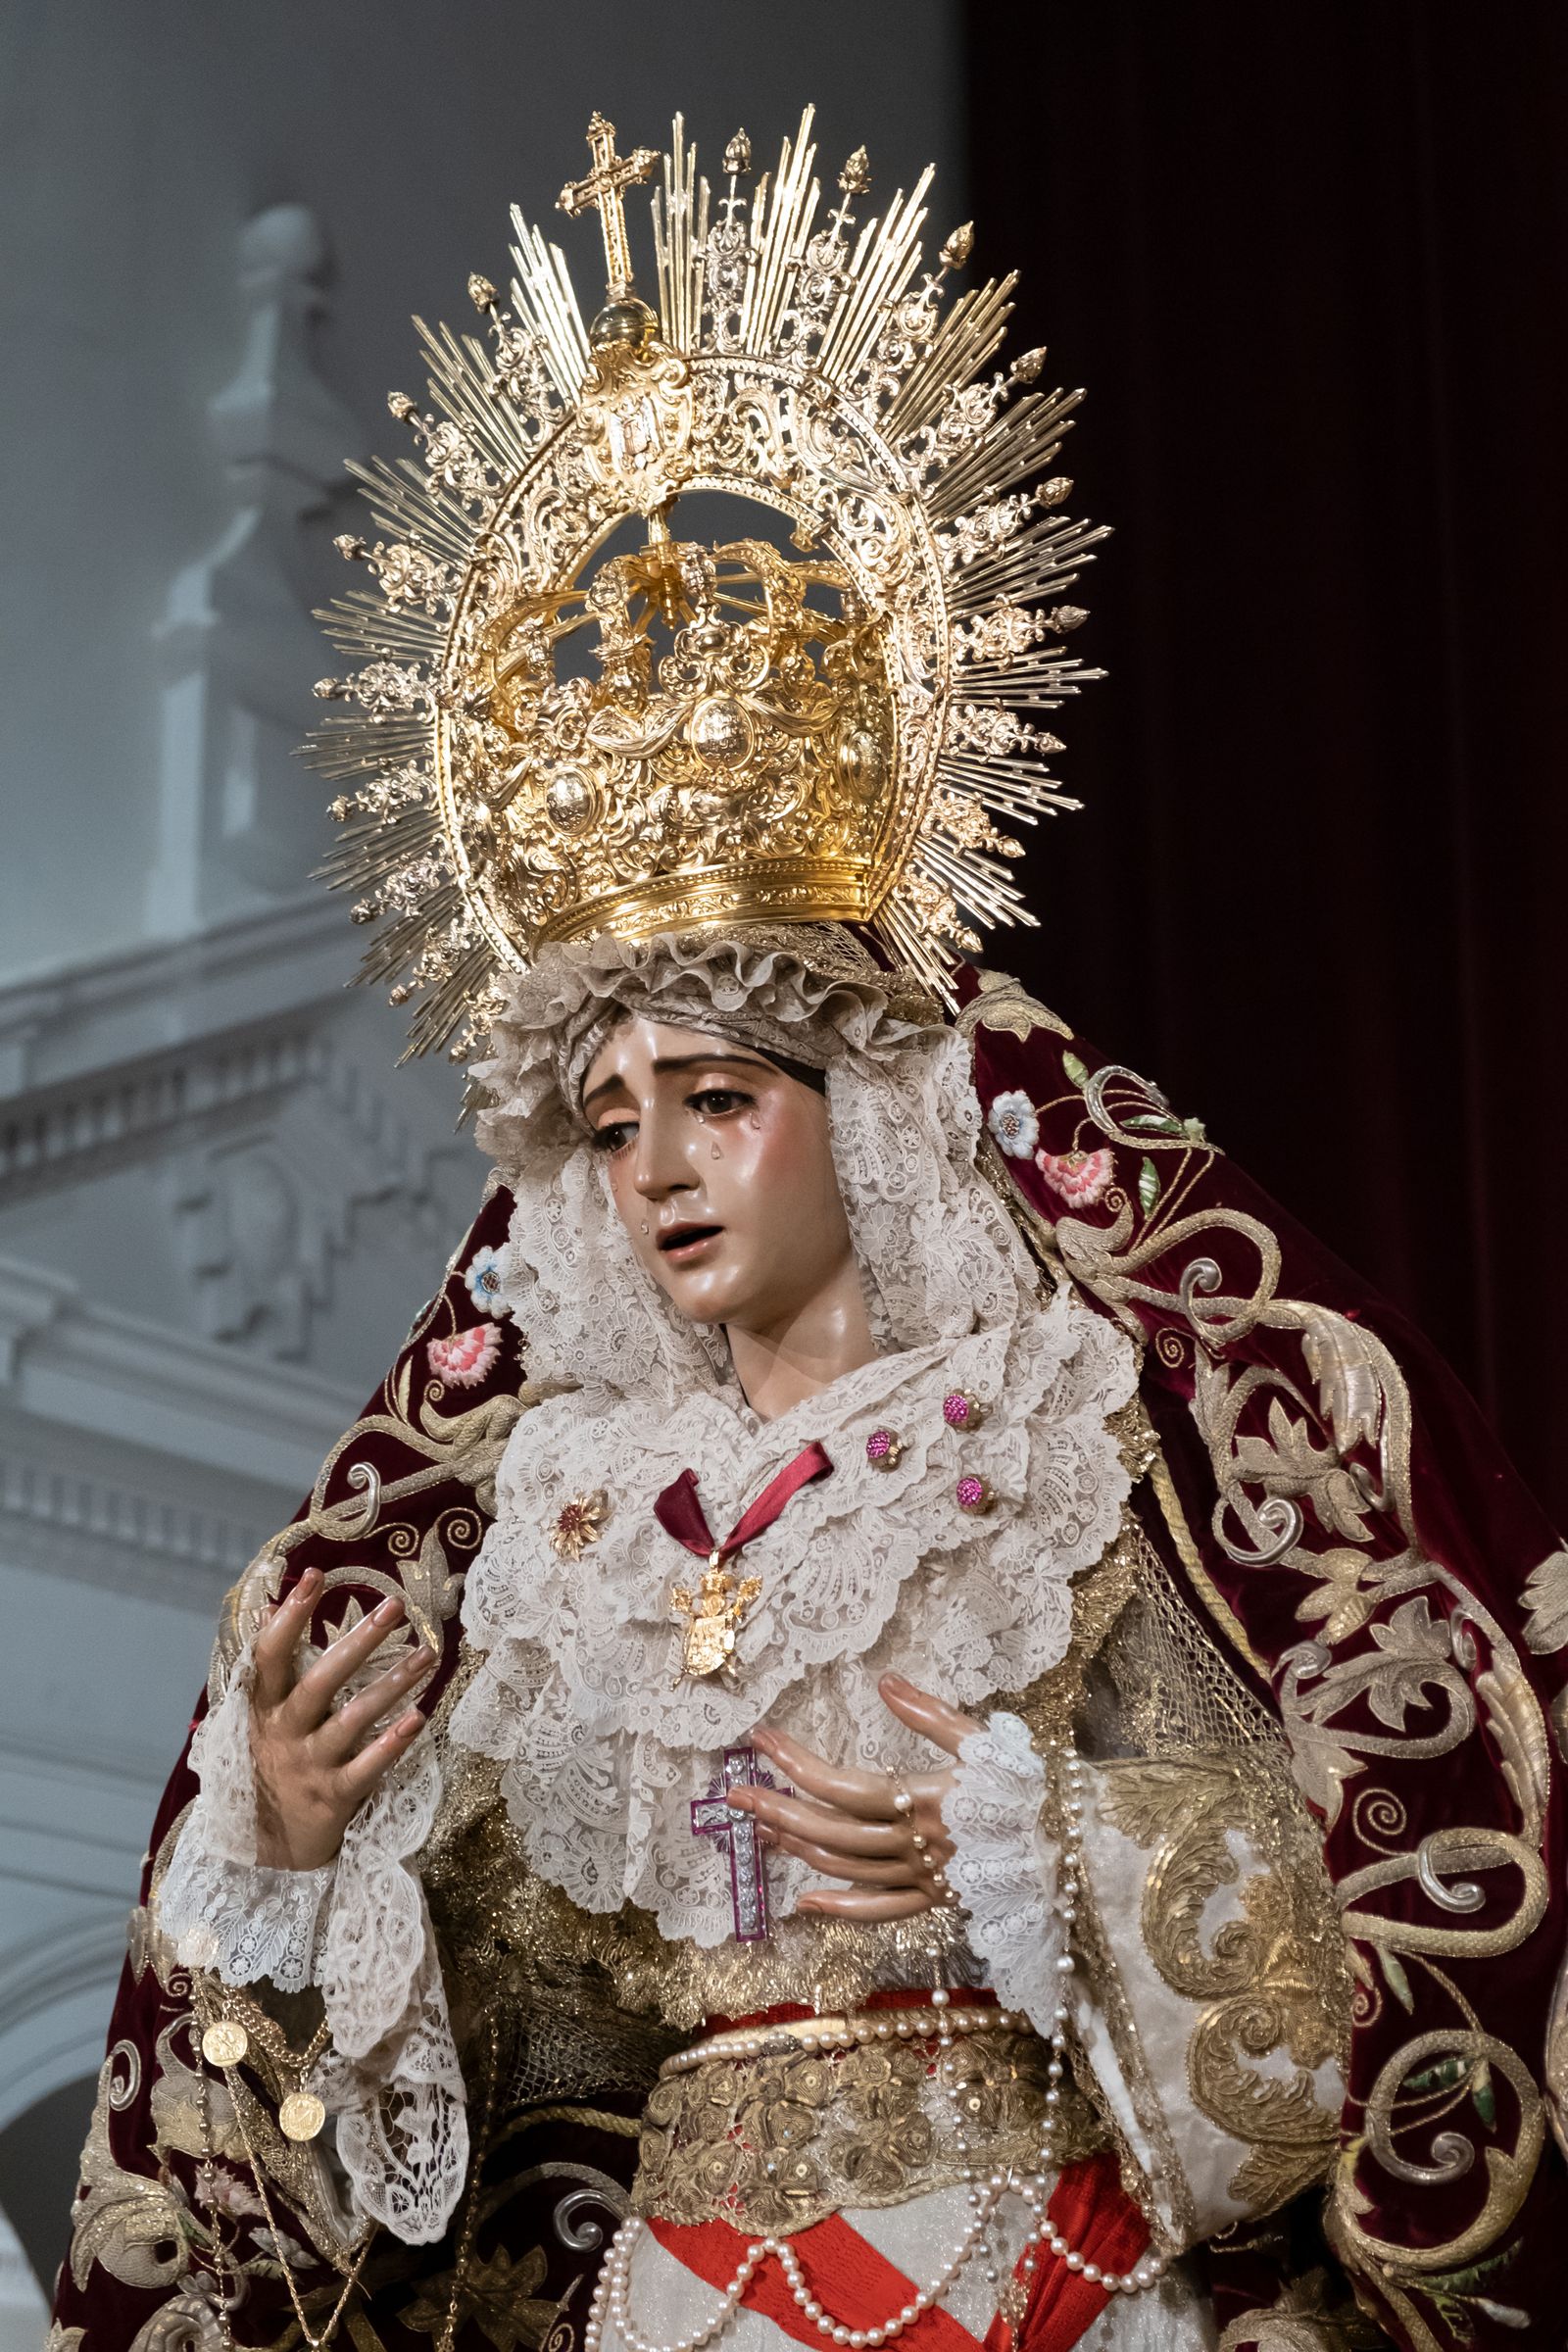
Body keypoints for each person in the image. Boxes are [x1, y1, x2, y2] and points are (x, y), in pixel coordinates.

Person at [49, 110, 1568, 2352]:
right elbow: (485, 2074)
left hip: (1026, 2265)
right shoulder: (565, 1533)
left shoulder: (1035, 1438)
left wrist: (1037, 1848)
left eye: (717, 1100)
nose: (655, 1162)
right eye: (607, 1118)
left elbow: (1320, 1910)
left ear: (852, 1116)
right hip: (681, 2296)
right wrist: (290, 1847)